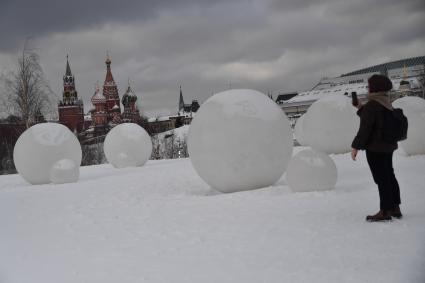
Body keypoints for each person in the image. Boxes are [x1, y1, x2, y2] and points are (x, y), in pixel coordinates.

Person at [351, 74, 402, 222]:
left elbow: (365, 128)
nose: (367, 88)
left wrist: (355, 146)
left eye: (369, 86)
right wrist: (360, 107)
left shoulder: (373, 105)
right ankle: (395, 207)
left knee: (381, 178)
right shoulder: (386, 102)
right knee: (389, 175)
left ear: (374, 88)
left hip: (375, 148)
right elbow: (375, 120)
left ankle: (385, 210)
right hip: (388, 146)